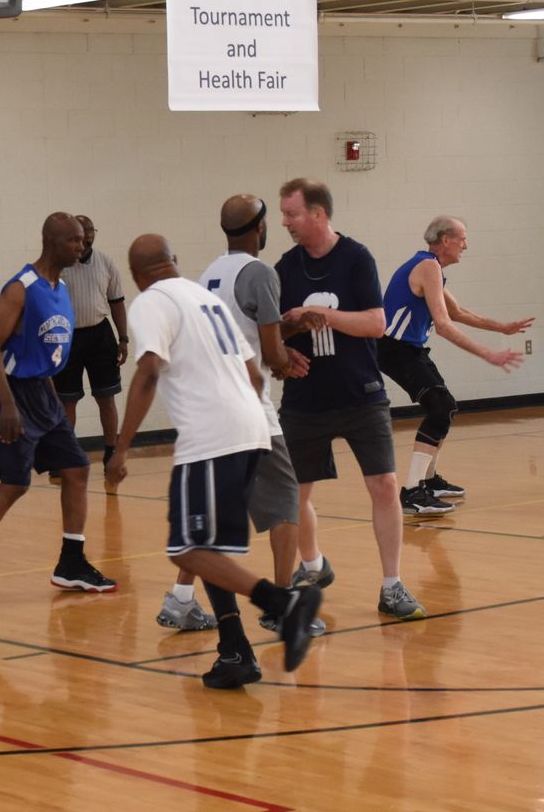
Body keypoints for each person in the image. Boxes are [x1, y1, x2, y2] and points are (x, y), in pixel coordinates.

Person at [105, 234, 324, 687]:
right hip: (252, 425)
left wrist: (121, 447)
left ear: (135, 275)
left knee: (187, 549)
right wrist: (247, 420)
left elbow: (147, 371)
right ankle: (234, 651)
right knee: (208, 547)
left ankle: (284, 604)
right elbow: (252, 371)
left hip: (211, 435)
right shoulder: (206, 300)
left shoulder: (150, 303)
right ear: (174, 260)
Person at [0, 213, 121, 601]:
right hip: (7, 391)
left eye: (83, 240)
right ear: (52, 242)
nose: (81, 246)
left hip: (42, 390)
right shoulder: (20, 288)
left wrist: (53, 401)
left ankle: (71, 562)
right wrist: (7, 405)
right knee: (16, 483)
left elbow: (46, 352)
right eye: (74, 240)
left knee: (76, 468)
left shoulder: (61, 288)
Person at [274, 178, 425, 621]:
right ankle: (313, 565)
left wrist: (320, 316)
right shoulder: (284, 267)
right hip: (305, 398)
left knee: (384, 486)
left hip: (361, 394)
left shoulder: (356, 258)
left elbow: (377, 323)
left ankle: (392, 586)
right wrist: (284, 351)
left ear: (319, 214)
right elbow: (277, 328)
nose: (285, 222)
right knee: (294, 494)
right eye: (283, 214)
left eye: (292, 214)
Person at [379, 215, 535, 517]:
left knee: (443, 408)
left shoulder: (429, 266)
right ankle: (412, 492)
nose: (466, 244)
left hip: (407, 349)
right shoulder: (427, 266)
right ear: (445, 239)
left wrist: (502, 327)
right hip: (393, 349)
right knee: (441, 408)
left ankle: (428, 482)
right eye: (462, 238)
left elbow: (458, 311)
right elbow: (444, 325)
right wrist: (487, 354)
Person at [52, 215, 129, 480]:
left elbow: (117, 302)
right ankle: (66, 455)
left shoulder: (106, 262)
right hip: (67, 337)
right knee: (67, 401)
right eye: (81, 232)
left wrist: (124, 337)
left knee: (106, 397)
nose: (86, 236)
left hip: (100, 335)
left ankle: (110, 452)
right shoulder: (60, 266)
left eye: (90, 231)